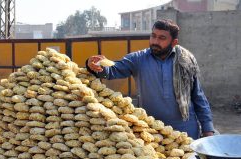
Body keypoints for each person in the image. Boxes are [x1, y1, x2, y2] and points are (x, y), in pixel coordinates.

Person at [86, 19, 214, 140]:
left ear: (174, 42)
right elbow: (111, 71)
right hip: (151, 133)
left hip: (186, 133)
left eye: (162, 38)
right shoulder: (138, 59)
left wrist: (208, 129)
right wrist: (95, 66)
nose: (155, 41)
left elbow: (198, 96)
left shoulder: (186, 61)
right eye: (153, 36)